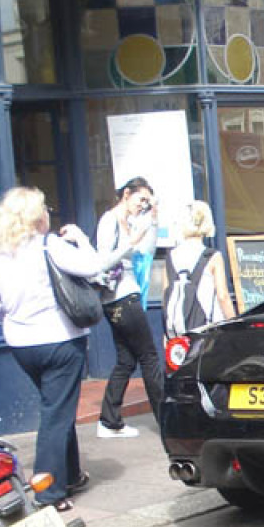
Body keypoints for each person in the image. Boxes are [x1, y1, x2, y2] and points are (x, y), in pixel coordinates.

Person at [0, 187, 102, 512]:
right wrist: (81, 239)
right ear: (37, 216)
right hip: (60, 340)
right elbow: (92, 267)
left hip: (21, 345)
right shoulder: (50, 245)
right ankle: (49, 493)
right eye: (45, 207)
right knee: (56, 414)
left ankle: (71, 473)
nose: (49, 212)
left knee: (58, 406)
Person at [95, 177, 162, 439]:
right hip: (121, 298)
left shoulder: (131, 222)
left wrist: (153, 219)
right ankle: (165, 418)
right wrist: (129, 242)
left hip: (126, 295)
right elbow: (102, 260)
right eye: (141, 199)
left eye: (147, 201)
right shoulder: (109, 220)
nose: (143, 205)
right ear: (126, 194)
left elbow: (146, 249)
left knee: (126, 360)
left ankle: (109, 421)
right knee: (149, 357)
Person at [165, 201, 235, 335]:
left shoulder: (171, 256)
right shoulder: (212, 256)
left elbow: (166, 295)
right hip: (207, 327)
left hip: (176, 329)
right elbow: (223, 296)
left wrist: (165, 333)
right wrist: (234, 323)